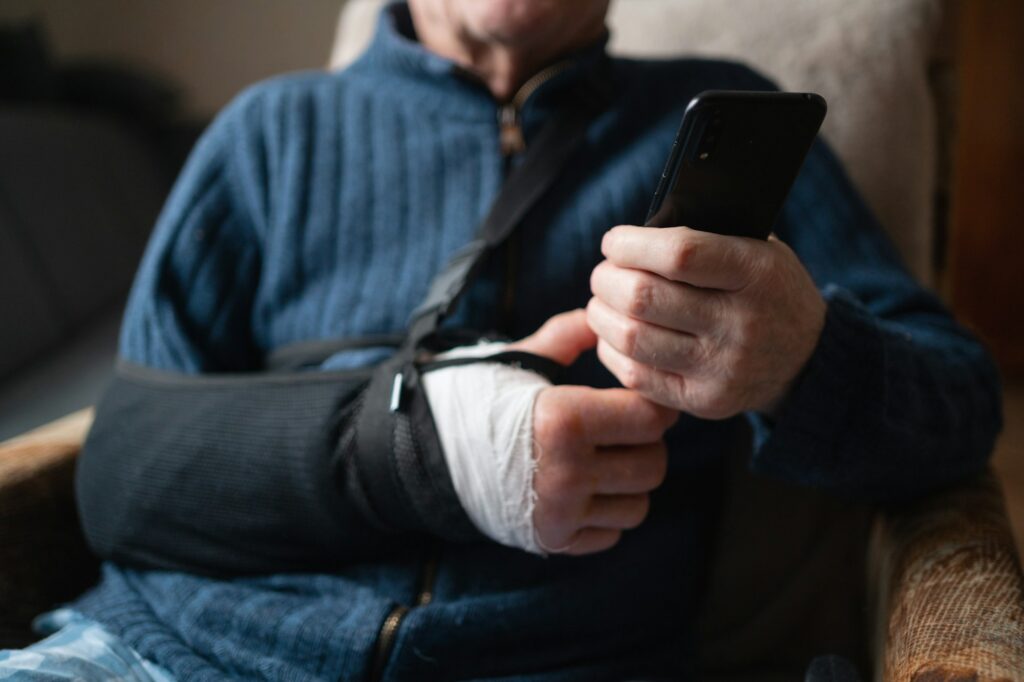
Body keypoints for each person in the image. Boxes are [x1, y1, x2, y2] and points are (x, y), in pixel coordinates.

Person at [0, 0, 1002, 680]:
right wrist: (432, 447)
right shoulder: (270, 133)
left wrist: (801, 357)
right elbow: (122, 475)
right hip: (173, 653)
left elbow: (958, 408)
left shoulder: (713, 118)